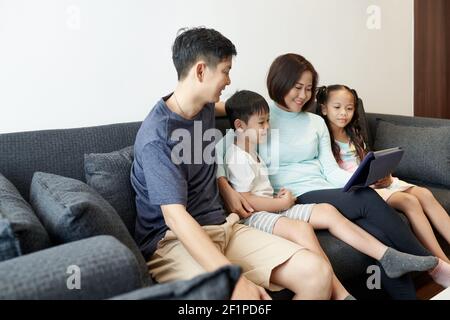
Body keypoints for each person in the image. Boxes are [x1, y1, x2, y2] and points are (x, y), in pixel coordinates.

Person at [130, 28, 335, 300]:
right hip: (173, 242)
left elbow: (244, 113)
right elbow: (175, 218)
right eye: (225, 71)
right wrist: (232, 277)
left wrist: (222, 182)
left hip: (225, 228)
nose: (229, 80)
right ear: (201, 71)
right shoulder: (157, 137)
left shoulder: (204, 105)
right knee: (242, 297)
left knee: (317, 273)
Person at [216, 53, 439, 299]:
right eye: (296, 87)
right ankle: (437, 267)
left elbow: (330, 169)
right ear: (279, 82)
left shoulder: (315, 122)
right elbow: (224, 147)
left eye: (308, 89)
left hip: (325, 189)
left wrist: (358, 181)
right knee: (364, 198)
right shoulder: (261, 117)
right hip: (293, 196)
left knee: (376, 230)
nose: (302, 95)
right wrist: (224, 185)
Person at [316, 84, 450, 288]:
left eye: (349, 108)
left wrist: (384, 174)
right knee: (409, 201)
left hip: (377, 182)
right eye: (337, 107)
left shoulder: (354, 133)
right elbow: (333, 174)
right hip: (359, 188)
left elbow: (365, 162)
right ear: (324, 108)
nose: (344, 113)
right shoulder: (322, 137)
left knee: (424, 193)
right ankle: (442, 263)